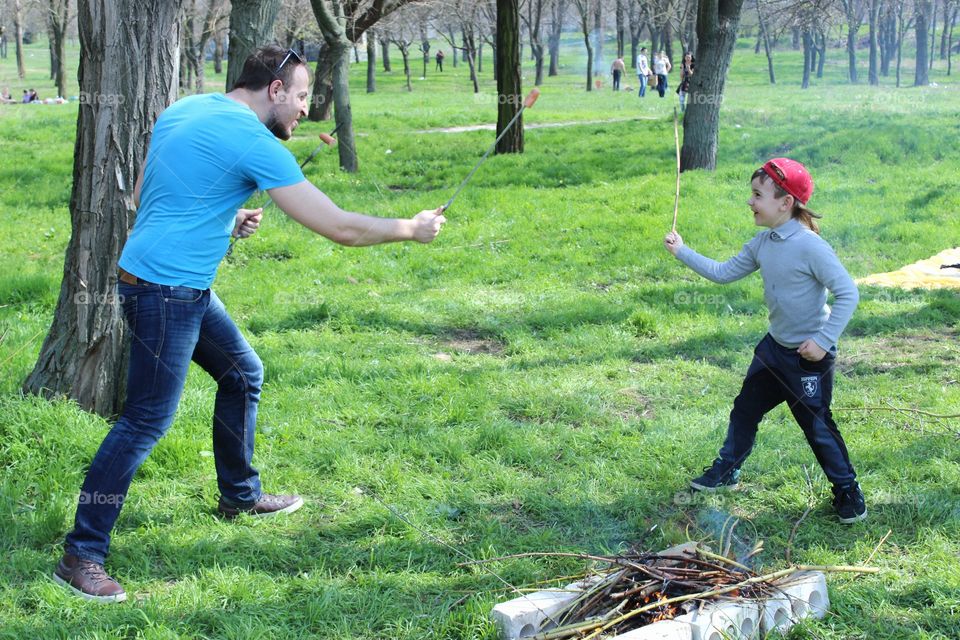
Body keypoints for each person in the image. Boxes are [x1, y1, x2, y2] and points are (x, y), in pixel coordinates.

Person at [53, 44, 447, 603]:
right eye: (303, 95)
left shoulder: (184, 109)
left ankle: (238, 496)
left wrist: (226, 215)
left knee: (242, 373)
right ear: (275, 89)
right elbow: (339, 228)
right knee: (144, 422)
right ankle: (82, 554)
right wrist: (411, 227)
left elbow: (144, 197)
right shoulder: (256, 142)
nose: (306, 111)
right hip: (166, 295)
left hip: (158, 283)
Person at [663, 158, 866, 525]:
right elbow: (723, 273)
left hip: (807, 358)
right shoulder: (763, 243)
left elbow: (847, 293)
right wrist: (682, 252)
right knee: (745, 409)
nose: (750, 202)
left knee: (817, 427)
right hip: (773, 350)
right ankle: (727, 469)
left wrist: (822, 340)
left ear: (785, 202)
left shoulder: (810, 247)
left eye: (758, 195)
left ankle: (847, 490)